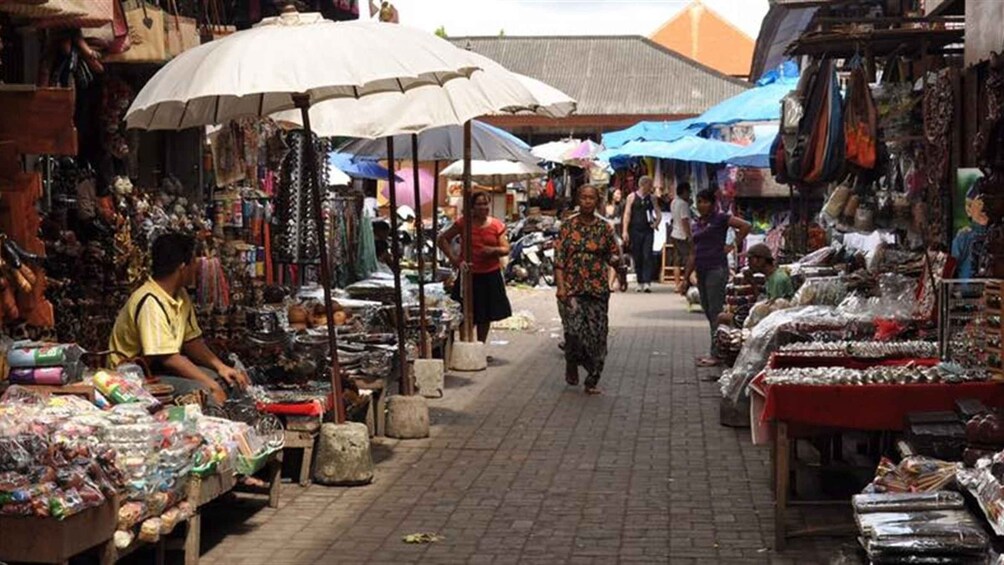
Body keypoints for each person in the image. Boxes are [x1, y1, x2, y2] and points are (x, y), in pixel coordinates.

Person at [109, 233, 249, 405]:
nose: (197, 267)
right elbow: (169, 358)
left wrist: (221, 367)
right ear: (183, 266)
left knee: (226, 381)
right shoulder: (150, 302)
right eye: (194, 262)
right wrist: (211, 386)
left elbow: (191, 341)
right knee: (202, 392)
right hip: (134, 377)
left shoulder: (179, 295)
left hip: (159, 369)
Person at [555, 185, 625, 395]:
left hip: (597, 289)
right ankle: (572, 359)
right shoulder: (568, 226)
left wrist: (617, 265)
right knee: (574, 331)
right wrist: (560, 288)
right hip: (572, 288)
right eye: (583, 197)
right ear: (578, 199)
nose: (587, 201)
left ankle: (592, 379)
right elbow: (559, 260)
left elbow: (612, 255)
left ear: (597, 201)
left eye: (591, 198)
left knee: (598, 335)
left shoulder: (605, 228)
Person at [680, 189, 751, 367]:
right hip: (702, 271)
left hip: (716, 270)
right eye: (699, 201)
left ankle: (717, 353)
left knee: (715, 312)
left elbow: (745, 225)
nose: (702, 205)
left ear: (712, 203)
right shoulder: (696, 224)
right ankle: (717, 347)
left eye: (705, 201)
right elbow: (692, 253)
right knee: (708, 309)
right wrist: (685, 278)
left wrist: (731, 245)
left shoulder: (720, 218)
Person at [437, 191, 513, 343]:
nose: (483, 207)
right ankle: (466, 344)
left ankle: (480, 346)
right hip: (468, 275)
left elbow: (506, 249)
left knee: (485, 315)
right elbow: (442, 239)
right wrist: (455, 260)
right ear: (472, 207)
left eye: (485, 203)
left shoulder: (497, 225)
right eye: (479, 204)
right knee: (465, 312)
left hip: (490, 274)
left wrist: (493, 250)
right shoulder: (463, 223)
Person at [622, 176, 661, 293]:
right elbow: (627, 214)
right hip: (635, 229)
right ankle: (640, 281)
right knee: (637, 255)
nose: (651, 187)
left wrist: (656, 223)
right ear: (643, 185)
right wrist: (625, 231)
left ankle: (647, 281)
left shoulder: (652, 198)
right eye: (650, 185)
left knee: (647, 254)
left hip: (648, 230)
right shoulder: (632, 197)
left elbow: (658, 212)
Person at [670, 182, 693, 273]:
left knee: (677, 259)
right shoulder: (683, 204)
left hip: (674, 233)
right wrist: (689, 235)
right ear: (684, 192)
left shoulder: (674, 202)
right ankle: (686, 280)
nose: (689, 194)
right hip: (682, 235)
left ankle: (677, 283)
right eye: (689, 192)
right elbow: (684, 221)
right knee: (688, 258)